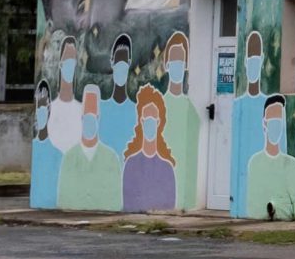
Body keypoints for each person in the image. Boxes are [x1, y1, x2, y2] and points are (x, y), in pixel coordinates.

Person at [56, 83, 124, 211]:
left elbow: (115, 201)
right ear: (81, 118)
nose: (90, 122)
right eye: (87, 117)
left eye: (93, 117)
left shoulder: (111, 159)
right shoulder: (69, 158)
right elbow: (63, 199)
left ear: (99, 118)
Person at [227, 31, 270, 219]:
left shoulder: (269, 105)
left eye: (256, 59)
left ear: (262, 61)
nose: (253, 64)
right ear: (244, 62)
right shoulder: (238, 104)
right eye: (249, 60)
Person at [120, 84, 178, 212]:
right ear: (141, 121)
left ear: (158, 122)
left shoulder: (167, 169)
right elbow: (128, 204)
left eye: (153, 120)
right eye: (147, 120)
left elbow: (170, 206)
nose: (149, 124)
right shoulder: (131, 164)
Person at [245, 94, 295, 221]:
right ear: (264, 123)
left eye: (278, 121)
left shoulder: (294, 167)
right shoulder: (254, 164)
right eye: (272, 121)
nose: (275, 125)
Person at [161, 33, 202, 211]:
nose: (178, 67)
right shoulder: (159, 105)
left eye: (182, 62)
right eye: (174, 62)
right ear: (166, 65)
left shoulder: (192, 110)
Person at [98, 36, 137, 153]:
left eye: (124, 65)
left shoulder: (136, 111)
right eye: (118, 64)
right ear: (112, 63)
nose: (121, 70)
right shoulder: (101, 109)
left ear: (129, 64)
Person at [46, 36, 84, 152]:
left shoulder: (81, 110)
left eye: (73, 62)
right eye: (67, 62)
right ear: (60, 65)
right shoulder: (51, 108)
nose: (70, 66)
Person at [28, 84, 61, 209]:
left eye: (43, 109)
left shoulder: (56, 149)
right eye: (38, 109)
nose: (40, 113)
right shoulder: (37, 146)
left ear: (49, 110)